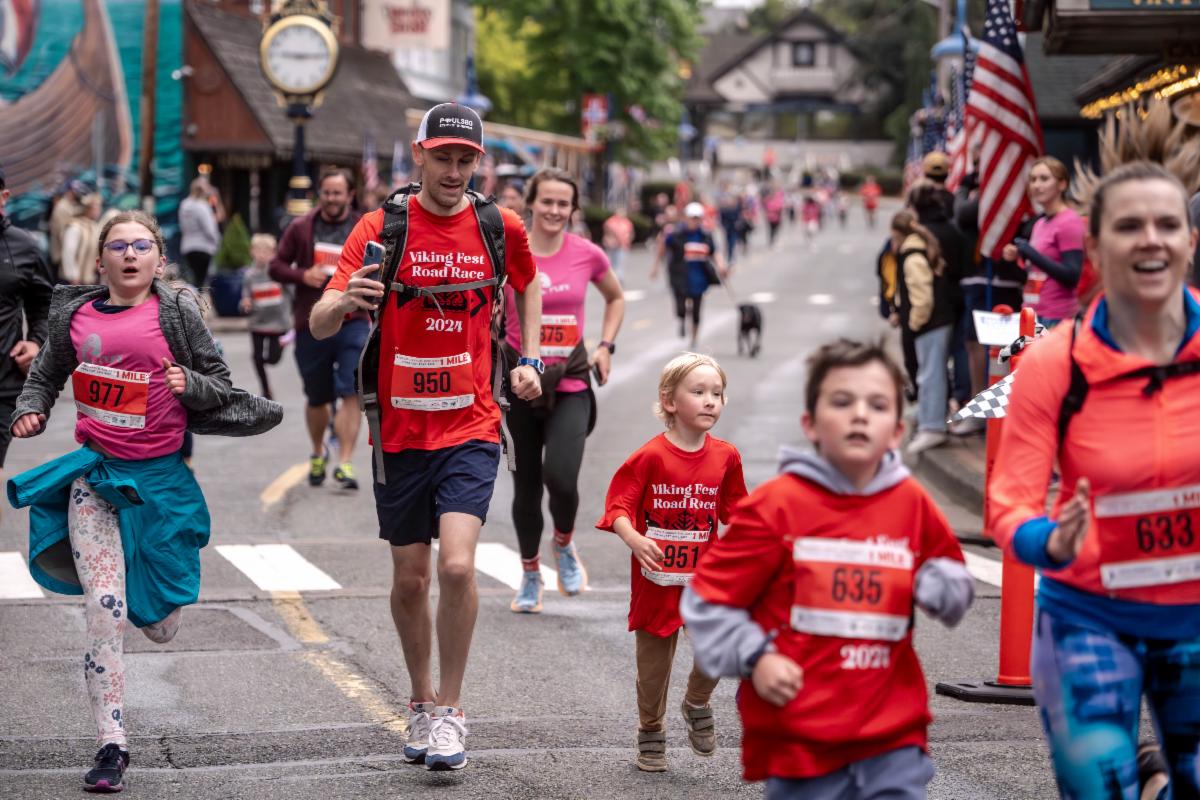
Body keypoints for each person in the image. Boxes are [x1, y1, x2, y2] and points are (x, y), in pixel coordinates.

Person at [6, 210, 280, 793]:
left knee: (158, 624)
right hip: (95, 480)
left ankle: (153, 597)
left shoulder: (176, 312)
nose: (130, 255)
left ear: (159, 259)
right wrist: (30, 409)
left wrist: (189, 384)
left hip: (160, 484)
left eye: (142, 246)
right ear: (100, 259)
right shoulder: (75, 315)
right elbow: (48, 373)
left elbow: (219, 384)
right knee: (105, 608)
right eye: (118, 246)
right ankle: (111, 744)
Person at [308, 102, 543, 771]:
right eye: (443, 157)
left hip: (471, 422)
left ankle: (452, 711)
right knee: (411, 580)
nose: (453, 171)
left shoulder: (500, 226)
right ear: (419, 154)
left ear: (478, 163)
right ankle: (419, 699)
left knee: (459, 565)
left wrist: (527, 361)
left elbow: (532, 283)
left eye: (465, 160)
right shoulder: (382, 227)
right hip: (400, 429)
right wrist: (345, 299)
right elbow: (323, 321)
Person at [990, 160, 1200, 800]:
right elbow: (1009, 500)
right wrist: (1045, 541)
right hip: (1088, 615)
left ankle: (1160, 780)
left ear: (1190, 241)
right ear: (1097, 246)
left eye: (1168, 224)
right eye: (1129, 225)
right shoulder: (1057, 361)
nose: (1151, 239)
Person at [681, 338, 973, 798]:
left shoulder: (911, 503)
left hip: (892, 735)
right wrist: (757, 658)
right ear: (811, 424)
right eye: (842, 402)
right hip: (802, 741)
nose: (860, 414)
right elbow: (705, 603)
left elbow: (953, 580)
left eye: (877, 405)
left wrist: (936, 583)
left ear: (896, 430)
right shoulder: (776, 506)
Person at [596, 352, 748, 772]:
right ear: (669, 401)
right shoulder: (650, 457)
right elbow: (618, 508)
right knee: (653, 668)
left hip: (706, 580)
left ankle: (696, 702)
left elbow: (740, 512)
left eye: (717, 393)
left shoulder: (726, 457)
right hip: (657, 579)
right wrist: (634, 538)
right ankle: (650, 730)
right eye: (698, 392)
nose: (710, 401)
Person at [507, 168, 625, 613]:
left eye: (564, 204)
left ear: (573, 210)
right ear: (531, 204)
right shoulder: (510, 253)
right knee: (526, 486)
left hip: (572, 380)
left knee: (561, 475)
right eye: (548, 202)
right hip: (521, 383)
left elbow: (616, 297)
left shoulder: (586, 254)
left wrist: (606, 346)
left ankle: (563, 543)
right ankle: (531, 573)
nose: (555, 211)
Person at [270, 167, 366, 489]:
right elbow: (275, 265)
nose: (332, 198)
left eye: (338, 192)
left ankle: (345, 462)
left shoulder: (362, 227)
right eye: (327, 192)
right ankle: (317, 450)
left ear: (349, 195)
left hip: (354, 322)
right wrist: (302, 276)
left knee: (352, 391)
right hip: (313, 322)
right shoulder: (301, 227)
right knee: (317, 397)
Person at [0, 163, 53, 518]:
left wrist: (36, 342)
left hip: (1, 384)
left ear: (3, 198)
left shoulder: (23, 246)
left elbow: (46, 304)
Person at [891, 210, 953, 457]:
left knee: (930, 374)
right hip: (935, 322)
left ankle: (934, 425)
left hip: (931, 323)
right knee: (928, 373)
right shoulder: (918, 250)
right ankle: (928, 415)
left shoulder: (911, 256)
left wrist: (915, 323)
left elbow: (922, 296)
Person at [1001, 156, 1087, 328]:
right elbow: (1035, 269)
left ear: (1062, 184)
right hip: (1032, 313)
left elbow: (1072, 275)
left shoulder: (1069, 221)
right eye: (1033, 179)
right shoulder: (1040, 223)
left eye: (1044, 179)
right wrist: (1017, 256)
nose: (1037, 185)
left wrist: (1030, 252)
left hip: (1056, 316)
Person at [652, 202, 727, 349]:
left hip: (699, 277)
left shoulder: (705, 235)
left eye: (697, 218)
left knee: (697, 309)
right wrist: (656, 266)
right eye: (691, 217)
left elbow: (714, 252)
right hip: (679, 276)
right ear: (685, 218)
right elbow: (663, 245)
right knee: (681, 306)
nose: (694, 221)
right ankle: (681, 319)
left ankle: (694, 338)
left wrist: (721, 265)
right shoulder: (676, 234)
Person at [239, 233, 290, 400]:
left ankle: (281, 345)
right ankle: (266, 389)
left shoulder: (278, 272)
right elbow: (245, 297)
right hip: (257, 322)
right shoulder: (249, 275)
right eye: (258, 251)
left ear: (273, 253)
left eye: (266, 251)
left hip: (277, 323)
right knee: (257, 358)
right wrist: (245, 304)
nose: (262, 255)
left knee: (273, 359)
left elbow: (292, 291)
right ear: (251, 252)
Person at [178, 178, 221, 290]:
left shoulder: (184, 205)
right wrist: (218, 242)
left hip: (187, 246)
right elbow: (210, 230)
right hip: (204, 247)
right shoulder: (203, 206)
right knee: (201, 281)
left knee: (192, 279)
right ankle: (197, 304)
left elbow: (182, 226)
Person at [59, 193, 104, 285]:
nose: (99, 211)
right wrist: (72, 276)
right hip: (73, 280)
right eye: (96, 208)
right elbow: (68, 253)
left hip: (86, 279)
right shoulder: (75, 227)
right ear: (87, 209)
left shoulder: (93, 226)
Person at [601, 205, 634, 284]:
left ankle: (619, 278)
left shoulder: (627, 222)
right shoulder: (611, 221)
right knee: (612, 262)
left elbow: (630, 233)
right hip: (613, 245)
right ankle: (612, 278)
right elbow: (607, 232)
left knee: (620, 262)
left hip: (623, 245)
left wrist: (629, 240)